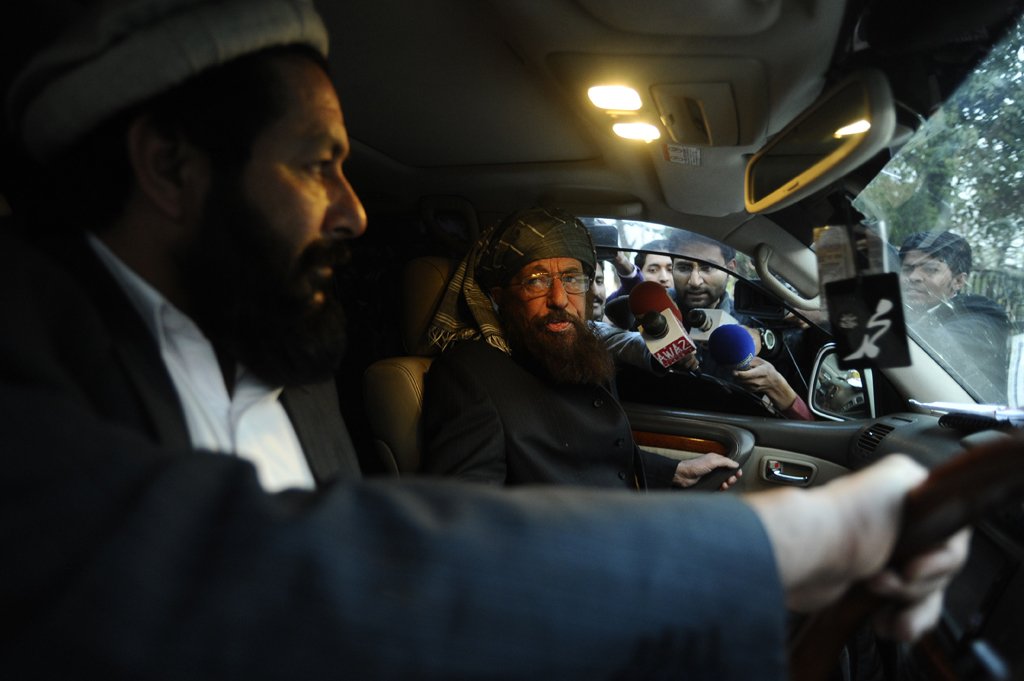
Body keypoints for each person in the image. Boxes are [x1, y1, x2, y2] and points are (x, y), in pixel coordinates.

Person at [0, 1, 969, 678]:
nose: (353, 215)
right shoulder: (27, 348)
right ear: (170, 166)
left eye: (567, 279)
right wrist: (787, 542)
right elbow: (255, 574)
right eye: (315, 165)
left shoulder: (295, 382)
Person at [421, 207, 742, 490]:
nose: (560, 298)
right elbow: (467, 516)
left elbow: (598, 454)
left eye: (572, 278)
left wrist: (675, 471)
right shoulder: (470, 373)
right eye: (536, 280)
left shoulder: (581, 347)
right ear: (499, 297)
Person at [671, 230, 813, 419]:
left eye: (707, 267)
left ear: (730, 268)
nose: (695, 281)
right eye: (684, 267)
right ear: (671, 267)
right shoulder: (651, 316)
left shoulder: (755, 321)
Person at [899, 230, 1010, 403]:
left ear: (958, 281)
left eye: (930, 270)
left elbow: (936, 346)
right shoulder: (911, 313)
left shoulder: (980, 317)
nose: (913, 277)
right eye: (907, 269)